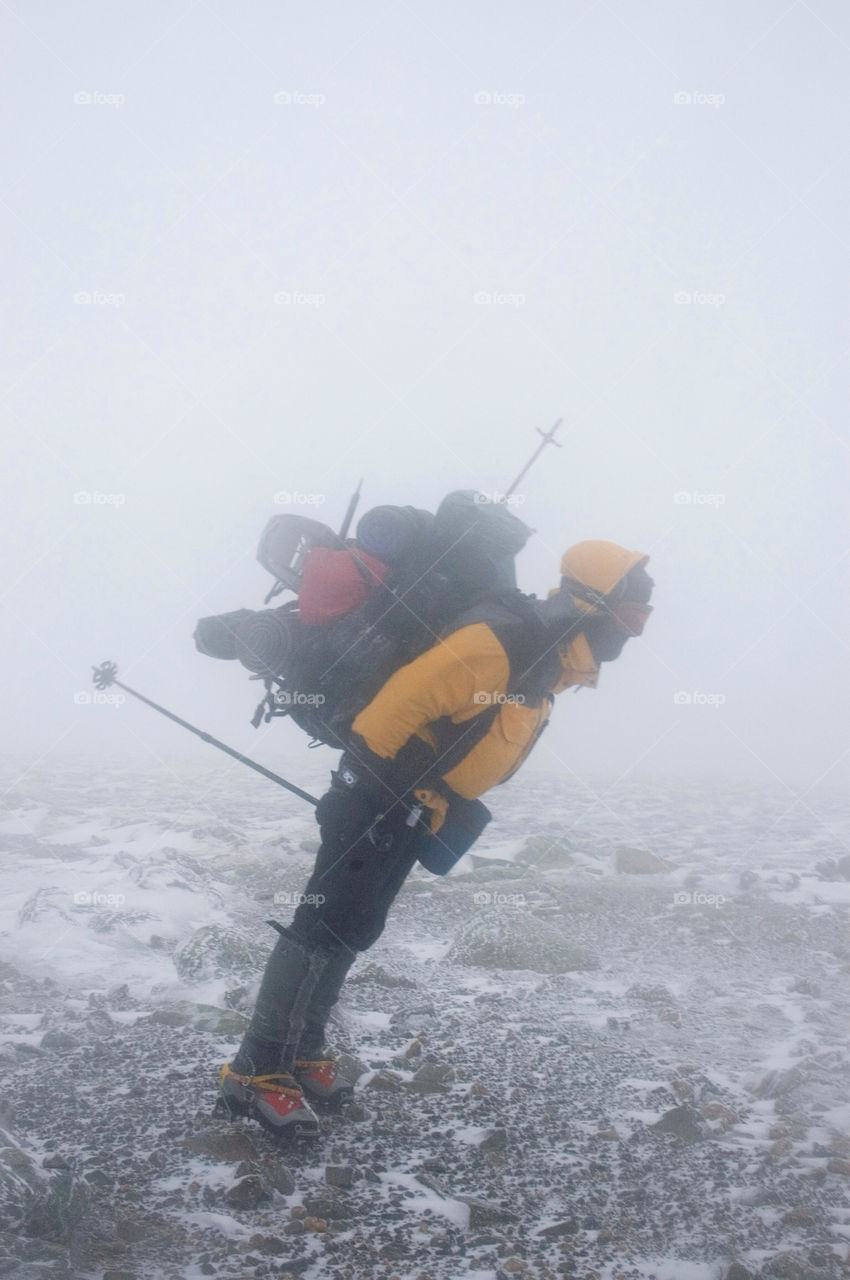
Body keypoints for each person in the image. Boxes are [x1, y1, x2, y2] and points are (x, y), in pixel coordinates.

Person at [217, 540, 654, 1137]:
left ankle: (301, 1052)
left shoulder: (548, 656)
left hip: (414, 805)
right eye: (633, 612)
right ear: (594, 601)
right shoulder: (502, 644)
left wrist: (425, 804)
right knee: (320, 924)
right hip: (375, 797)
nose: (638, 628)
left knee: (354, 927)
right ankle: (254, 1070)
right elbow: (387, 718)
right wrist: (390, 798)